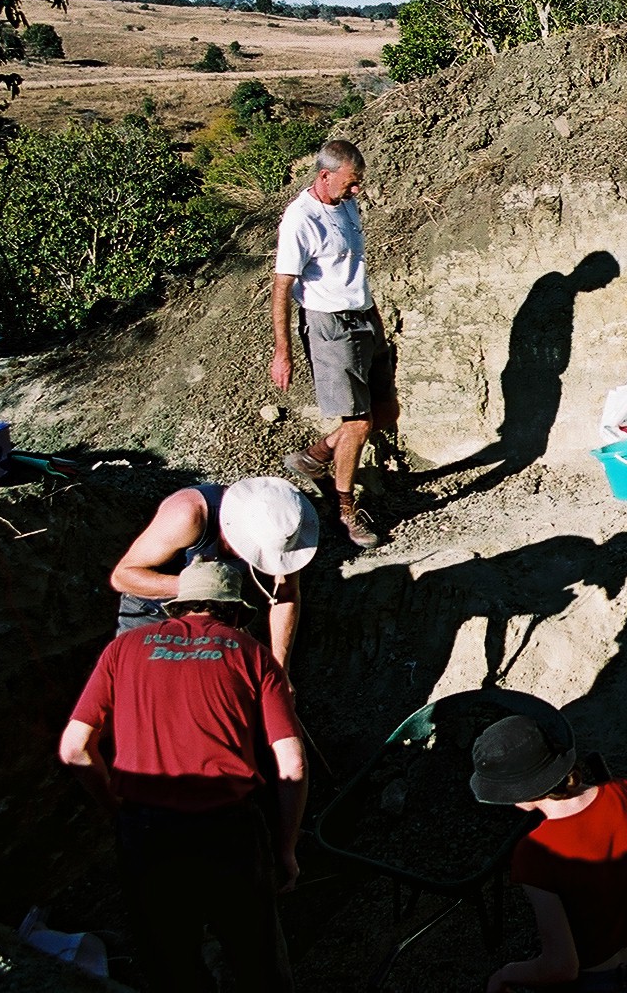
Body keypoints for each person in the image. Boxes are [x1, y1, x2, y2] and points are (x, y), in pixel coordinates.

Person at [60, 561, 307, 993]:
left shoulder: (123, 649)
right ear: (232, 611)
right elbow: (292, 763)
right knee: (258, 963)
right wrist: (285, 847)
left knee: (172, 967)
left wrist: (117, 811)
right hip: (227, 832)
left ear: (176, 608)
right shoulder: (250, 653)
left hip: (147, 832)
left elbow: (73, 748)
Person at [472, 714, 627, 993]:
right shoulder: (623, 793)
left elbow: (562, 966)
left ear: (519, 795)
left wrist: (506, 974)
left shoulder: (535, 853)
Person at [272, 138, 399, 549]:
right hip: (330, 327)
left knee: (386, 411)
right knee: (357, 423)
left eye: (358, 182)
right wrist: (283, 351)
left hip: (364, 317)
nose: (357, 190)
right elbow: (281, 286)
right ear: (325, 176)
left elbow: (353, 269)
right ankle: (345, 511)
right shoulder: (300, 220)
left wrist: (374, 314)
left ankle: (316, 456)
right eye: (351, 182)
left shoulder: (345, 203)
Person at [109, 476, 318, 671]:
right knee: (140, 694)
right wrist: (200, 585)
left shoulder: (285, 530)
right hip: (152, 612)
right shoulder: (189, 514)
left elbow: (286, 595)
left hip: (215, 617)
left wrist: (280, 669)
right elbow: (122, 577)